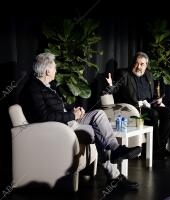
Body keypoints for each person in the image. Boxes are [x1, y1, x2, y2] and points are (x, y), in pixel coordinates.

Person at [20, 52, 142, 190]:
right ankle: (114, 175)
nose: (56, 70)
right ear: (47, 70)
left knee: (99, 114)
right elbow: (44, 117)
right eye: (54, 68)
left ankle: (115, 150)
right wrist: (72, 115)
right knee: (98, 131)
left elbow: (59, 107)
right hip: (60, 127)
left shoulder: (45, 85)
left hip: (67, 121)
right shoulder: (33, 88)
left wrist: (75, 110)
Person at [104, 52, 170, 160]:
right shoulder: (124, 74)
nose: (138, 67)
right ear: (133, 63)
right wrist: (110, 86)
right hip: (133, 109)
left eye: (142, 64)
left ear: (146, 65)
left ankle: (161, 148)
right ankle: (155, 151)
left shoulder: (149, 75)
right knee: (153, 114)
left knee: (169, 112)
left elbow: (151, 95)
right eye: (136, 63)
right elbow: (116, 86)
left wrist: (157, 99)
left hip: (149, 105)